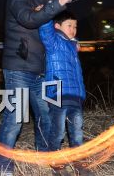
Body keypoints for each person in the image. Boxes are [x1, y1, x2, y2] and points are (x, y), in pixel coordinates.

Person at [0, 0, 72, 175]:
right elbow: (28, 19)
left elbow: (50, 29)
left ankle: (46, 158)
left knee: (48, 117)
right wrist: (56, 3)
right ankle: (3, 167)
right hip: (18, 68)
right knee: (15, 118)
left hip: (41, 70)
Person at [39, 11, 93, 176]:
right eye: (69, 25)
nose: (73, 29)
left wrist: (82, 94)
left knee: (77, 130)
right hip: (57, 92)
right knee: (58, 129)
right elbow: (45, 29)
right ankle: (55, 159)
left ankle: (78, 161)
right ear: (57, 26)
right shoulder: (54, 42)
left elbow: (77, 74)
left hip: (75, 96)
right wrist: (48, 11)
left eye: (75, 26)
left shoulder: (73, 46)